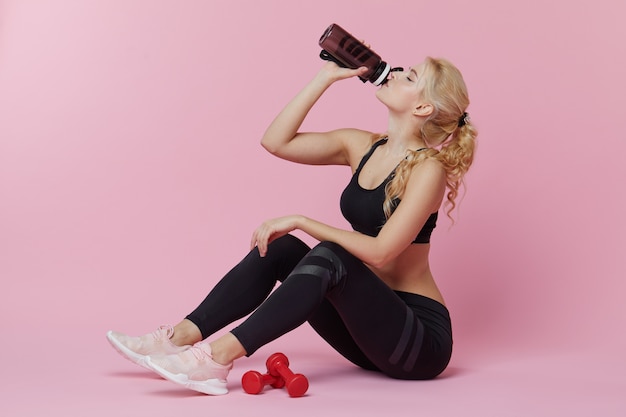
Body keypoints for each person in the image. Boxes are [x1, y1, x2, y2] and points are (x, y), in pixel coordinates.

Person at [107, 56, 477, 395]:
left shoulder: (429, 168)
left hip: (417, 341)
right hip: (365, 335)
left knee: (331, 253)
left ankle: (216, 358)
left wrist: (302, 220)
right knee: (283, 248)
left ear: (423, 107)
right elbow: (276, 141)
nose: (394, 73)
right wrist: (325, 78)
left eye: (409, 76)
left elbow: (380, 253)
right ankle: (178, 338)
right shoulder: (361, 145)